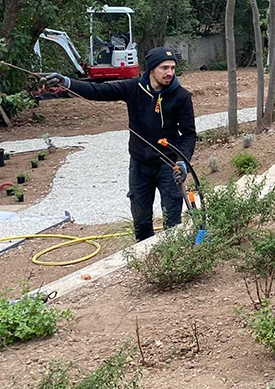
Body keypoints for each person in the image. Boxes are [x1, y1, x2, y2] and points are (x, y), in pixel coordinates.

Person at [44, 47, 196, 242]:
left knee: (172, 223)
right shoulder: (133, 88)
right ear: (151, 69)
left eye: (173, 68)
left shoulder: (181, 96)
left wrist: (183, 162)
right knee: (141, 224)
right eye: (164, 67)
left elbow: (189, 135)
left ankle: (174, 266)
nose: (169, 73)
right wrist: (67, 83)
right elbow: (97, 91)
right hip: (140, 166)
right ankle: (147, 264)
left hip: (169, 166)